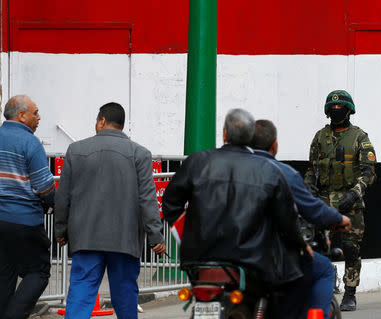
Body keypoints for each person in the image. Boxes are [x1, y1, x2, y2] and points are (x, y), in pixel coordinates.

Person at [162, 108, 309, 319]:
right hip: (251, 261)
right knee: (286, 289)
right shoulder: (269, 171)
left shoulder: (197, 162)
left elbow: (170, 203)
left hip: (198, 260)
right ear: (251, 137)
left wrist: (186, 235)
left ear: (224, 134)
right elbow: (287, 220)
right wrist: (300, 244)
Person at [54, 102, 166, 319]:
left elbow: (63, 196)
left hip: (86, 238)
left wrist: (60, 230)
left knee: (81, 293)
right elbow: (148, 199)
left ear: (102, 121)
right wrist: (155, 235)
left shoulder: (75, 150)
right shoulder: (140, 154)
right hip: (125, 239)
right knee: (125, 298)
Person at [250, 119, 352, 319]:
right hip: (270, 255)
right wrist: (339, 218)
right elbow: (312, 209)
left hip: (229, 252)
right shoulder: (284, 173)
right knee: (323, 269)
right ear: (275, 145)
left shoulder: (228, 170)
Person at [304, 90, 376, 311]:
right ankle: (316, 290)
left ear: (349, 110)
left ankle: (350, 293)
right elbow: (311, 169)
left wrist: (354, 193)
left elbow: (369, 172)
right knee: (315, 246)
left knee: (350, 248)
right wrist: (307, 189)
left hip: (350, 203)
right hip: (322, 201)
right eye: (333, 109)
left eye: (341, 108)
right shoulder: (320, 137)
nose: (337, 112)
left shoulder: (359, 137)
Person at [0, 95, 55, 319]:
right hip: (24, 221)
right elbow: (44, 186)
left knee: (5, 274)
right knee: (39, 271)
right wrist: (57, 204)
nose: (39, 117)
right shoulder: (30, 142)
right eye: (35, 113)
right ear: (21, 116)